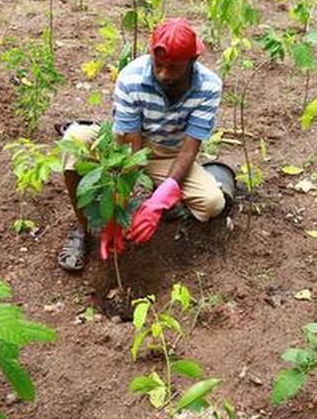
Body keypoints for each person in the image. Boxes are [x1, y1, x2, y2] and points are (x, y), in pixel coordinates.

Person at [57, 18, 227, 271]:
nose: (163, 74)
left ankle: (182, 193)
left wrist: (159, 199)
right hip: (127, 144)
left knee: (213, 203)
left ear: (193, 61)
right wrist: (116, 215)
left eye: (173, 67)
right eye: (159, 65)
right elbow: (130, 150)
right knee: (75, 141)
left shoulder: (209, 86)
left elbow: (190, 148)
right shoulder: (132, 77)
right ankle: (83, 229)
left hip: (170, 152)